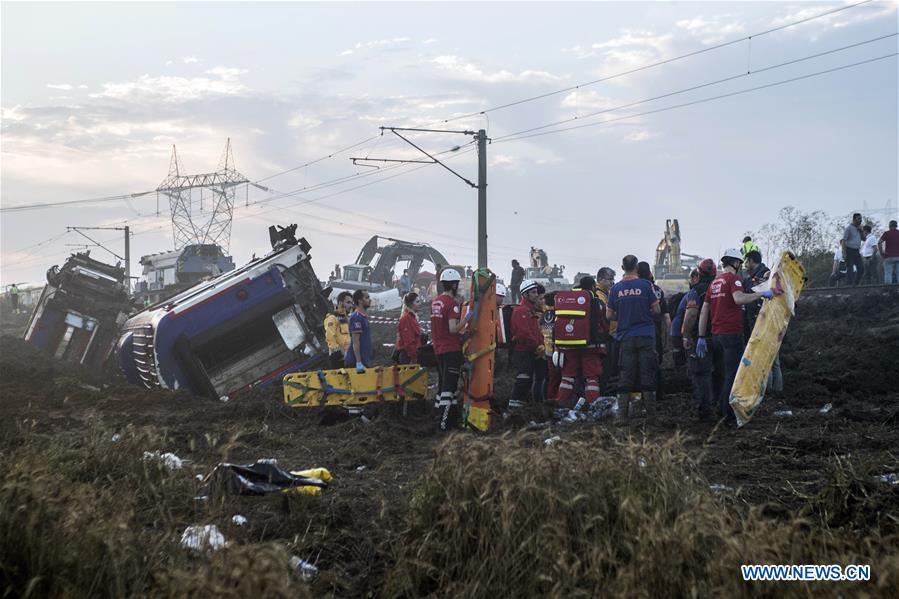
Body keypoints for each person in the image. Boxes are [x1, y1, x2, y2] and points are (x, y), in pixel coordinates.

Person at [697, 248, 772, 423]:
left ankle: (718, 407)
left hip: (716, 336)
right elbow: (739, 299)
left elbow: (704, 311)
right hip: (731, 334)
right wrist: (762, 294)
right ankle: (728, 415)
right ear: (736, 263)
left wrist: (701, 336)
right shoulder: (734, 279)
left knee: (721, 374)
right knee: (732, 375)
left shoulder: (714, 283)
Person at [607, 255, 660, 421]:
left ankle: (622, 417)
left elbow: (608, 315)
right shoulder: (645, 285)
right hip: (646, 335)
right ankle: (651, 416)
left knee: (626, 374)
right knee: (647, 373)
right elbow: (657, 311)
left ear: (622, 268)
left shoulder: (615, 289)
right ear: (637, 267)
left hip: (625, 336)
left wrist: (623, 317)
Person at [554, 276, 608, 409]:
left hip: (569, 345)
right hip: (590, 346)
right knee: (591, 378)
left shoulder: (569, 301)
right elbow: (603, 323)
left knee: (567, 377)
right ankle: (592, 405)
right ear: (593, 287)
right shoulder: (597, 302)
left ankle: (560, 403)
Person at [430, 268, 470, 430]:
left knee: (444, 387)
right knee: (449, 387)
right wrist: (467, 320)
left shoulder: (436, 302)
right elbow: (453, 329)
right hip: (451, 349)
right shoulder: (451, 304)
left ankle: (447, 420)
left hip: (438, 349)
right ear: (454, 284)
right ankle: (444, 423)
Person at [681, 259, 718, 420]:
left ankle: (705, 410)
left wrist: (685, 335)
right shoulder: (720, 287)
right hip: (721, 336)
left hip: (701, 338)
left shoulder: (696, 291)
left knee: (700, 374)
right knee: (720, 373)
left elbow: (691, 315)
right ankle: (721, 406)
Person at [742, 250, 782, 393]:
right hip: (758, 323)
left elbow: (773, 284)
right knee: (772, 360)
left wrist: (767, 279)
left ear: (752, 261)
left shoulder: (766, 274)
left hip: (765, 322)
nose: (745, 265)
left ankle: (769, 393)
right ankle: (776, 391)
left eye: (746, 262)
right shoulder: (749, 278)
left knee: (767, 360)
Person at [637, 261, 670, 399]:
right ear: (650, 273)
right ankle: (658, 395)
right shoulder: (657, 290)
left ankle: (640, 396)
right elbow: (666, 317)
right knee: (655, 364)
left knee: (637, 365)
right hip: (654, 332)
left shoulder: (633, 289)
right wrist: (668, 340)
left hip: (636, 331)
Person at [509, 279, 543, 410]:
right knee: (523, 381)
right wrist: (537, 346)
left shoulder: (530, 311)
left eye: (536, 292)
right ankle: (513, 411)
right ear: (525, 294)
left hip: (530, 352)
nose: (536, 295)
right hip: (523, 352)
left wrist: (541, 345)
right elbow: (524, 334)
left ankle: (519, 410)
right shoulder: (521, 311)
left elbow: (536, 332)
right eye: (533, 292)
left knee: (527, 381)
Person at [669, 269, 700, 367]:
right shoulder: (692, 294)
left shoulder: (691, 293)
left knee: (681, 359)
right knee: (684, 360)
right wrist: (686, 336)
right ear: (695, 278)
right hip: (680, 331)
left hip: (677, 330)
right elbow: (690, 315)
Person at [595, 267, 618, 395]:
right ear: (600, 280)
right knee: (606, 369)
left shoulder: (606, 294)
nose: (612, 282)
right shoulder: (599, 296)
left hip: (610, 334)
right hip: (606, 337)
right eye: (609, 279)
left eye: (612, 279)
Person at [344, 290, 373, 371]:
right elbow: (356, 342)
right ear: (360, 301)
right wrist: (358, 362)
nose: (369, 300)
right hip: (355, 363)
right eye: (367, 297)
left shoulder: (363, 317)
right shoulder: (356, 317)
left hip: (364, 360)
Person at [324, 291, 353, 369]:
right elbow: (330, 335)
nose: (351, 305)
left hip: (350, 356)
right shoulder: (332, 318)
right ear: (340, 303)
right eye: (348, 302)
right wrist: (336, 352)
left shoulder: (348, 320)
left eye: (351, 303)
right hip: (339, 358)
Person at [532, 285, 550, 403]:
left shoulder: (546, 312)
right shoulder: (534, 315)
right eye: (540, 299)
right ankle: (538, 402)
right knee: (539, 378)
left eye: (544, 298)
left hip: (547, 349)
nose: (543, 301)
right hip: (539, 351)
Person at [395, 292, 423, 364]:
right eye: (417, 302)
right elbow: (408, 342)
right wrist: (413, 358)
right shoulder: (407, 318)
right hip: (408, 357)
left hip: (410, 354)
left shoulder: (412, 317)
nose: (420, 304)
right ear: (411, 304)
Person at [841, 213, 865, 286]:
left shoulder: (859, 228)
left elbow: (864, 239)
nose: (860, 220)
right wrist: (844, 252)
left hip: (857, 251)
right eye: (859, 219)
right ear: (854, 219)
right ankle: (849, 285)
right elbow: (843, 241)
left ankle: (855, 284)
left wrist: (861, 231)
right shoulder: (848, 228)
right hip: (849, 250)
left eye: (861, 219)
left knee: (861, 269)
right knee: (850, 269)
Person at [879, 220, 899, 284]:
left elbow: (879, 242)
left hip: (888, 257)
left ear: (889, 226)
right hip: (898, 256)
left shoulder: (886, 233)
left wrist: (881, 252)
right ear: (896, 226)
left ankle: (889, 290)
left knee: (888, 273)